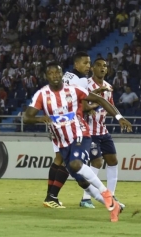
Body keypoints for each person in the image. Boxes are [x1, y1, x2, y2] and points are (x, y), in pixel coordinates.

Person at [23, 62, 132, 222]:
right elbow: (26, 117)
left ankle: (106, 192)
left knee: (75, 164)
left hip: (81, 134)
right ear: (46, 77)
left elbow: (101, 101)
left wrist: (119, 117)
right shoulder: (42, 95)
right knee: (81, 181)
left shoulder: (74, 90)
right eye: (51, 73)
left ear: (62, 75)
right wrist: (40, 118)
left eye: (57, 73)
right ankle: (113, 205)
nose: (54, 76)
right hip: (62, 141)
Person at [43, 51, 96, 208]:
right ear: (76, 65)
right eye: (85, 63)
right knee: (68, 162)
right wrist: (95, 105)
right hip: (68, 124)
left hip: (54, 120)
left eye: (89, 63)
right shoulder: (82, 80)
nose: (88, 66)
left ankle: (49, 196)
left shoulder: (66, 76)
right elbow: (84, 105)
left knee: (58, 159)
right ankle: (52, 196)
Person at [79, 58, 125, 208]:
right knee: (97, 161)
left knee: (113, 160)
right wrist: (90, 107)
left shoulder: (109, 87)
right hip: (89, 130)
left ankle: (110, 195)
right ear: (93, 68)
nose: (102, 68)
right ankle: (86, 198)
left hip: (102, 130)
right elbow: (82, 105)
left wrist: (120, 119)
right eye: (98, 65)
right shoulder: (86, 85)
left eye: (105, 66)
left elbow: (110, 106)